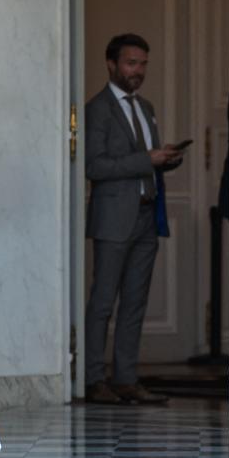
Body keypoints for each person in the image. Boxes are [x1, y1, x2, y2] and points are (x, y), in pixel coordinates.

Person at [84, 33, 185, 405]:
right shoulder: (97, 109)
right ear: (111, 64)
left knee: (135, 302)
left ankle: (126, 378)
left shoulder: (146, 106)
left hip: (146, 216)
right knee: (103, 301)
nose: (137, 71)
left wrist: (168, 158)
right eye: (130, 63)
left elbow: (146, 159)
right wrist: (149, 159)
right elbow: (94, 166)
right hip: (113, 218)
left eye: (142, 64)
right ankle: (94, 380)